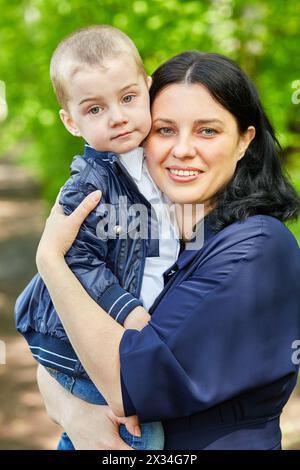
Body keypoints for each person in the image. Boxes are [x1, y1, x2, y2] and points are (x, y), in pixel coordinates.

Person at [35, 51, 300, 450]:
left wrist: (52, 263)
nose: (182, 149)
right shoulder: (138, 235)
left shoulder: (256, 247)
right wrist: (75, 415)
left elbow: (127, 381)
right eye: (164, 130)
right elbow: (52, 350)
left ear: (245, 140)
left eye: (207, 131)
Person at [15, 25, 181, 450]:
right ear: (71, 122)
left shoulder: (155, 162)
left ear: (148, 89)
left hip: (126, 343)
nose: (118, 116)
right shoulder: (87, 185)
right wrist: (128, 311)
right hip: (88, 350)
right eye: (94, 110)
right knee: (137, 439)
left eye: (127, 98)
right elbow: (76, 260)